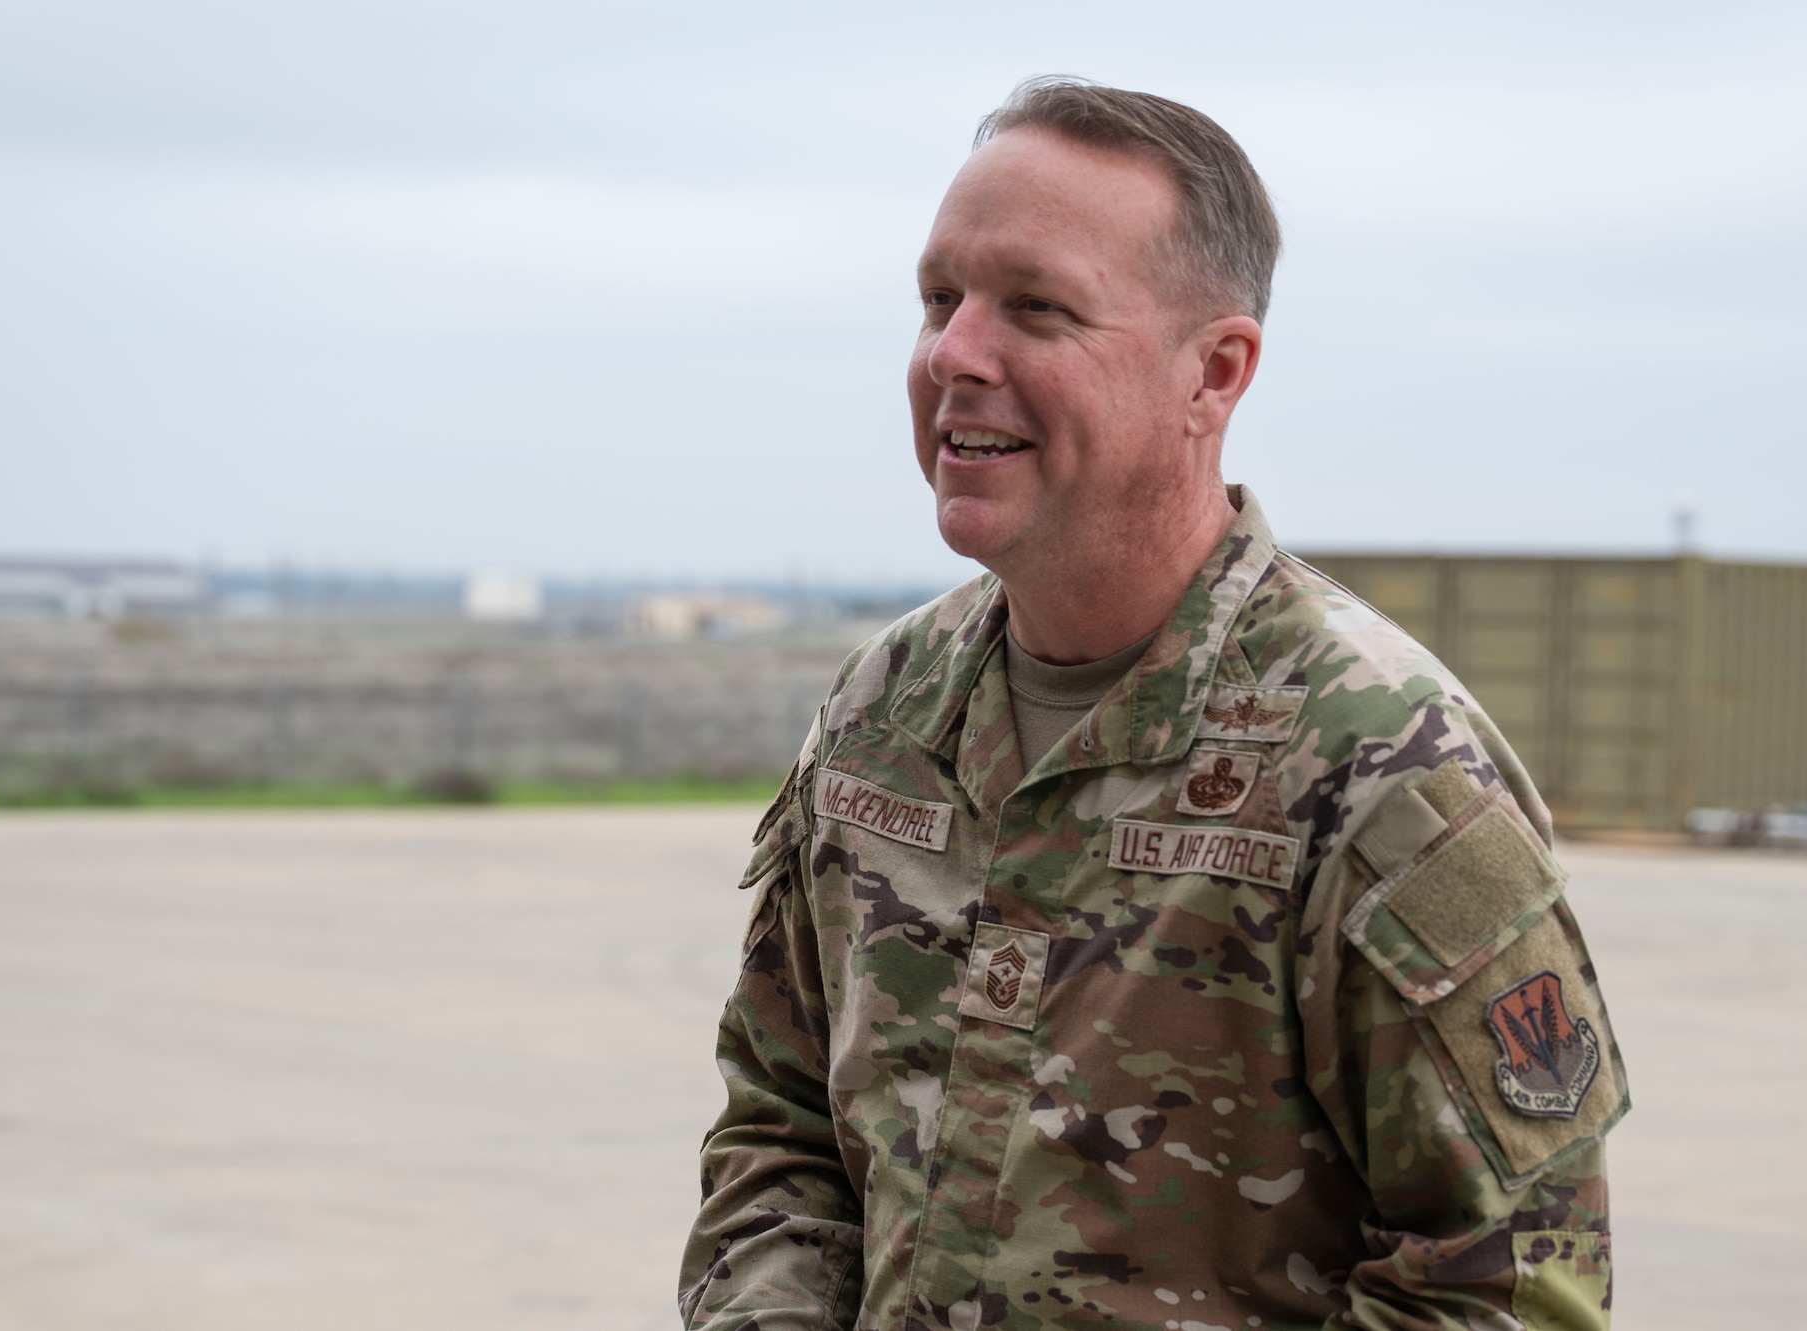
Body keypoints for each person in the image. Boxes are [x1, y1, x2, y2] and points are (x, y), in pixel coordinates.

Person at [680, 77, 1627, 1331]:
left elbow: (1508, 1288)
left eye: (1035, 307)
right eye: (937, 299)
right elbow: (779, 1121)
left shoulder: (1379, 763)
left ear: (1213, 372)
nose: (953, 353)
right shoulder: (883, 712)